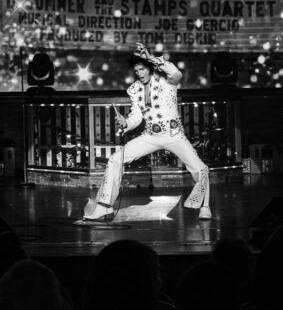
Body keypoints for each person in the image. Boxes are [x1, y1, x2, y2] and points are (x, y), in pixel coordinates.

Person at [83, 44, 211, 220]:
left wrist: (151, 57)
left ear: (150, 68)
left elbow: (177, 73)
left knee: (200, 169)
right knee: (115, 159)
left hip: (174, 135)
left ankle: (204, 205)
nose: (139, 73)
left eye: (142, 69)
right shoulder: (134, 90)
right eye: (136, 71)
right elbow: (137, 117)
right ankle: (105, 206)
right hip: (151, 135)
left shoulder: (167, 80)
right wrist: (125, 122)